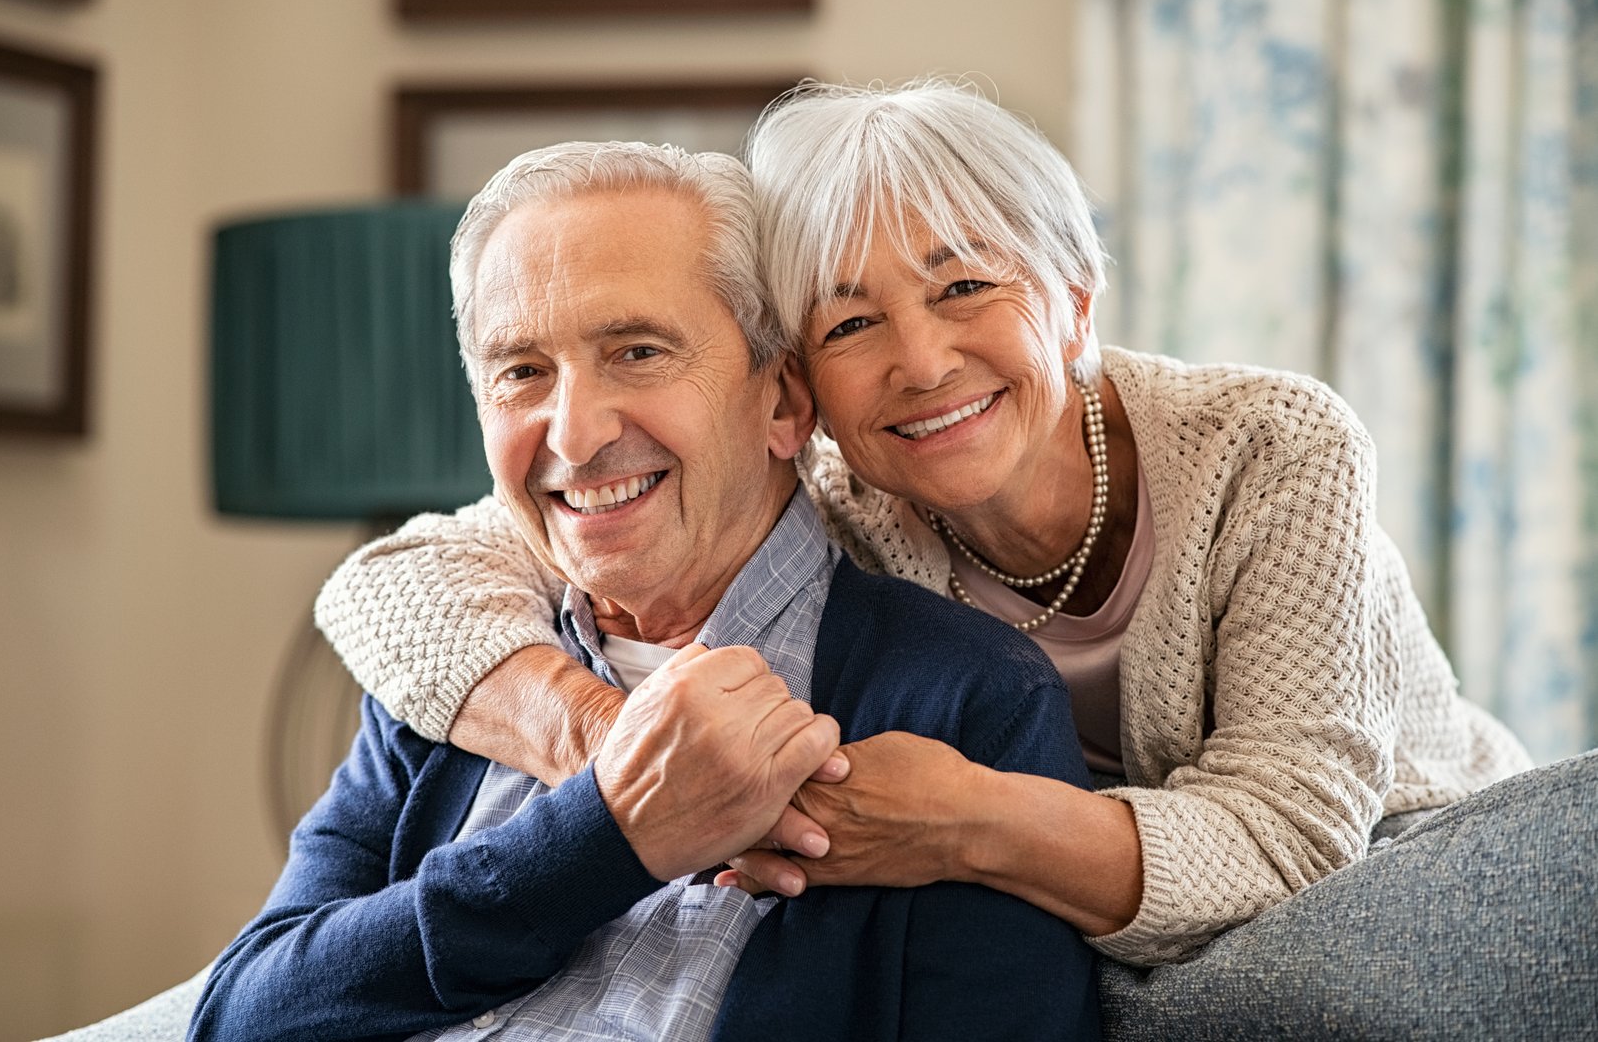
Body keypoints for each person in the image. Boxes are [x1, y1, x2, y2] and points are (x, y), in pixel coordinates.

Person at [315, 83, 1597, 1036]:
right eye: (853, 321)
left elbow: (1298, 835)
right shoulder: (829, 484)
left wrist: (972, 822)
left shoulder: (1270, 446)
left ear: (1077, 300)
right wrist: (615, 740)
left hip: (1390, 857)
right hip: (1106, 893)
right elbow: (394, 582)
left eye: (966, 288)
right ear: (799, 388)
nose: (919, 363)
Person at [191, 140, 1101, 1042]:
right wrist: (605, 839)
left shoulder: (963, 700)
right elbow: (236, 1018)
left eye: (637, 352)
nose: (575, 435)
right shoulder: (461, 676)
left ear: (783, 402)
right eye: (523, 372)